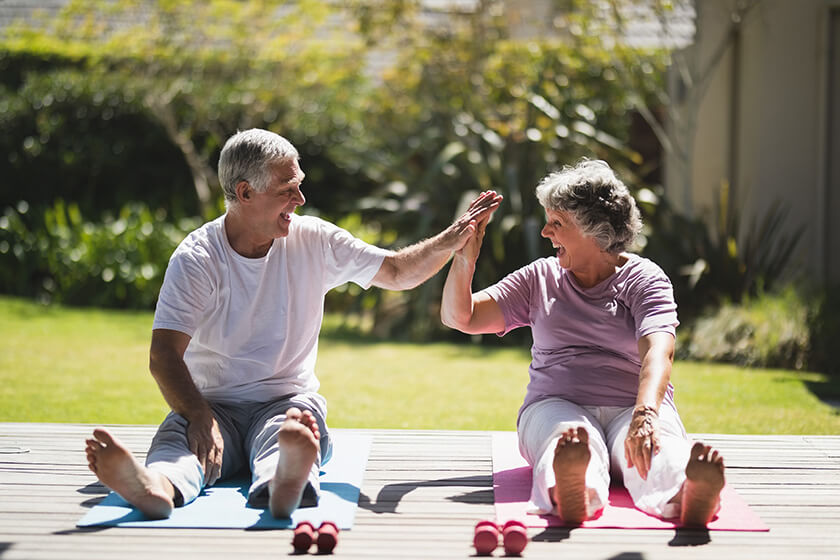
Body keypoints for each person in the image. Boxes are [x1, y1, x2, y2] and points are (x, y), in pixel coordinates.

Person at [84, 128, 502, 519]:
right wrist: (197, 414)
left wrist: (454, 236)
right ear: (245, 193)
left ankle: (283, 482)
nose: (300, 199)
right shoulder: (198, 258)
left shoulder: (314, 240)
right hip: (210, 405)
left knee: (290, 433)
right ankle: (152, 486)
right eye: (287, 190)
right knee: (179, 449)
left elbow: (395, 272)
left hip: (285, 401)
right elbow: (164, 356)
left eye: (298, 185)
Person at [440, 159, 725, 526]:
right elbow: (459, 317)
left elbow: (659, 349)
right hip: (555, 403)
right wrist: (465, 258)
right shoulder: (539, 277)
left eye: (557, 223)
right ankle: (571, 489)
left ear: (596, 231)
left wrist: (646, 413)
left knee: (659, 446)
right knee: (567, 440)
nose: (545, 232)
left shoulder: (644, 278)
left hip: (633, 405)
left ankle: (688, 492)